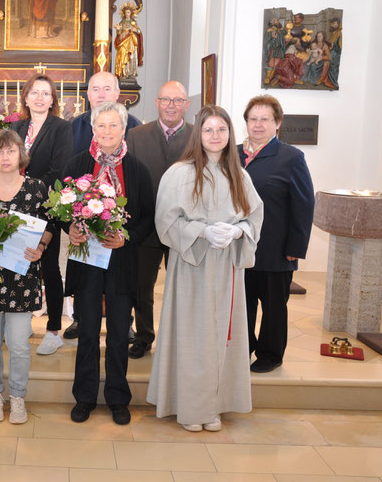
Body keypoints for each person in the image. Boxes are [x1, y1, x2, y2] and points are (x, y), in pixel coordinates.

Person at [147, 105, 263, 432]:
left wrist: (239, 231)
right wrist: (201, 232)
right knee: (193, 337)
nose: (215, 136)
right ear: (198, 133)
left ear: (230, 135)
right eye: (208, 130)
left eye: (221, 130)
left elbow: (254, 215)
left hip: (227, 267)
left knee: (221, 337)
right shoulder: (179, 173)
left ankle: (216, 406)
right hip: (192, 265)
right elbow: (166, 220)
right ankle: (190, 407)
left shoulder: (239, 174)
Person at [66, 102, 154, 426]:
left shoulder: (137, 170)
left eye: (113, 126)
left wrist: (126, 237)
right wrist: (71, 229)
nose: (106, 132)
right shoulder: (76, 165)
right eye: (100, 126)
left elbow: (148, 219)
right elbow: (62, 211)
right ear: (92, 129)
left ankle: (118, 398)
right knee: (88, 331)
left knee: (119, 334)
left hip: (122, 263)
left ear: (123, 128)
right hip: (88, 260)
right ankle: (85, 397)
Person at [0, 130, 56, 424]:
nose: (5, 157)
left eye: (11, 151)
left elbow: (49, 226)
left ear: (21, 155)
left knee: (19, 344)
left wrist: (41, 246)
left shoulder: (37, 188)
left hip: (23, 277)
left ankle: (18, 397)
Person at [239, 95, 314, 373]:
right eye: (253, 119)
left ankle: (271, 354)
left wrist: (296, 246)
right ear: (246, 122)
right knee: (242, 304)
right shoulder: (233, 154)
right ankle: (241, 348)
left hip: (276, 247)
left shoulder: (291, 157)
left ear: (278, 123)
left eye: (265, 119)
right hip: (239, 247)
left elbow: (304, 204)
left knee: (273, 307)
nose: (258, 125)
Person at [65, 71, 141, 340]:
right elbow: (68, 177)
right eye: (95, 89)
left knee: (120, 283)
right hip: (85, 222)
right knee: (86, 282)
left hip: (120, 227)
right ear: (87, 94)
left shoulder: (134, 125)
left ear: (118, 93)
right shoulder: (74, 125)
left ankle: (124, 323)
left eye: (107, 89)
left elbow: (137, 182)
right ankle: (80, 319)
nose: (101, 94)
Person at [124, 80, 192, 359]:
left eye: (177, 101)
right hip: (146, 227)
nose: (171, 106)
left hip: (186, 227)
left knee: (186, 286)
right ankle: (143, 335)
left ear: (186, 105)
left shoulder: (199, 136)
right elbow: (129, 180)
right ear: (156, 102)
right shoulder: (136, 135)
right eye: (166, 100)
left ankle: (183, 338)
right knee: (142, 287)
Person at [11, 75, 72, 355]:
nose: (39, 97)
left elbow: (59, 169)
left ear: (52, 100)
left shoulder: (61, 128)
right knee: (18, 267)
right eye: (34, 92)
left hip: (46, 206)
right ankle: (19, 326)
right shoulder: (16, 127)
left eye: (45, 93)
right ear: (25, 97)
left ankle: (53, 331)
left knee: (49, 269)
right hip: (14, 206)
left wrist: (28, 190)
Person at [113, 4, 144, 79]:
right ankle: (123, 73)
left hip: (131, 41)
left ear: (131, 13)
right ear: (124, 13)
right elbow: (119, 34)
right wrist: (117, 30)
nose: (127, 14)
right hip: (123, 41)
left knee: (131, 56)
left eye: (129, 12)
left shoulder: (133, 23)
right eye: (126, 12)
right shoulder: (122, 23)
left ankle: (130, 73)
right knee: (123, 54)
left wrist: (135, 30)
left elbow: (139, 32)